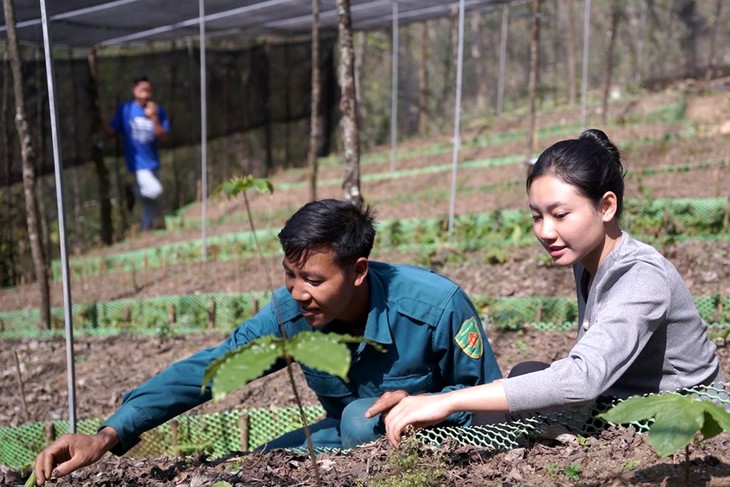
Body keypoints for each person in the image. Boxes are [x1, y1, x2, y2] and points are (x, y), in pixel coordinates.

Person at [34, 199, 502, 484]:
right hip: (344, 434)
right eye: (290, 276)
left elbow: (486, 400)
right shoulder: (291, 313)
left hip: (438, 439)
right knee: (262, 465)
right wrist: (107, 434)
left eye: (314, 280)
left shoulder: (435, 306)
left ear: (358, 271)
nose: (299, 292)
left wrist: (425, 402)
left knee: (362, 420)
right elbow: (210, 369)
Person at [376, 129, 725, 446]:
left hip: (682, 419)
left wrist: (448, 400)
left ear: (606, 206)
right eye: (536, 216)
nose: (544, 231)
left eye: (559, 215)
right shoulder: (587, 260)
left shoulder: (643, 277)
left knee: (513, 401)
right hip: (618, 402)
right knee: (524, 376)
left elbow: (582, 379)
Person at [107, 75, 170, 231]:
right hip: (138, 163)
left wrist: (154, 118)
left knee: (151, 202)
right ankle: (133, 191)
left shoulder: (158, 111)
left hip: (154, 161)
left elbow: (164, 137)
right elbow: (112, 130)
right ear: (134, 90)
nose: (145, 95)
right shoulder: (125, 110)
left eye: (148, 91)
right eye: (141, 91)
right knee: (156, 191)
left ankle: (145, 229)